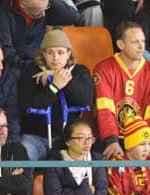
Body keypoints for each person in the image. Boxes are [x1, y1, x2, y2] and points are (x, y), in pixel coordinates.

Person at [93, 22, 150, 160]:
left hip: (143, 140)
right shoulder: (104, 69)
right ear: (120, 44)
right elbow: (104, 110)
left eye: (143, 41)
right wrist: (112, 141)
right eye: (135, 42)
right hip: (112, 137)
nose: (141, 46)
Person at [18, 28, 94, 161]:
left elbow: (85, 100)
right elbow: (29, 106)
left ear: (68, 54)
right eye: (50, 52)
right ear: (43, 54)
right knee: (23, 156)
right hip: (35, 138)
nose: (55, 58)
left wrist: (58, 76)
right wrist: (54, 87)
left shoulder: (80, 71)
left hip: (68, 140)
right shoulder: (31, 72)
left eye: (60, 52)